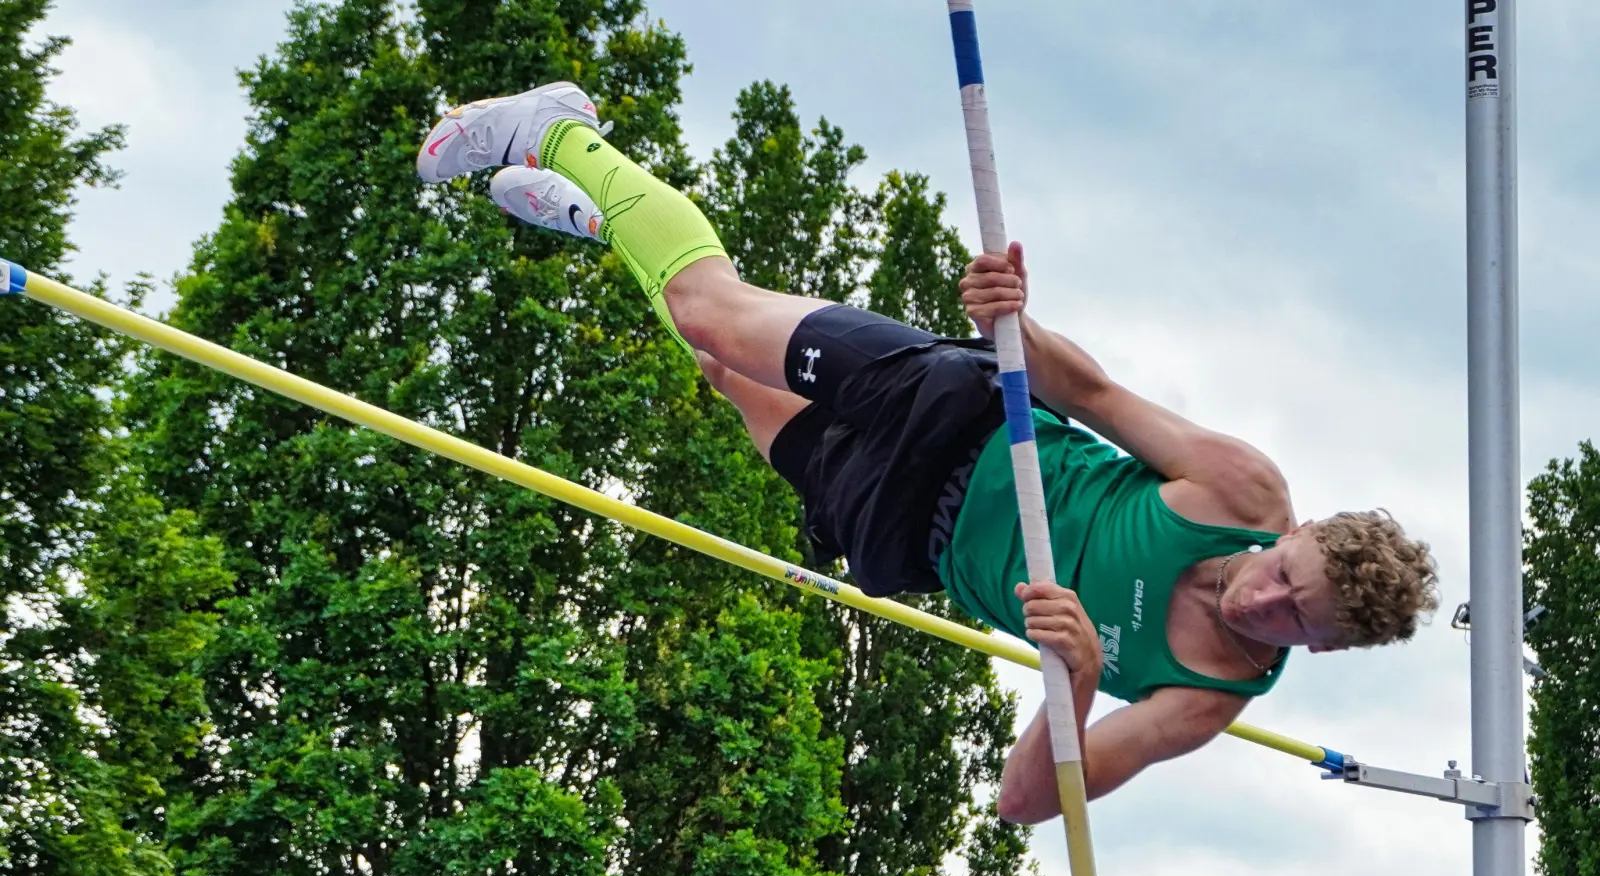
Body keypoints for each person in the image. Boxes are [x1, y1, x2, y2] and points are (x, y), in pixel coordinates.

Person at [416, 82, 1442, 822]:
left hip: (907, 534)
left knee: (713, 365)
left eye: (1294, 623)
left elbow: (1026, 802)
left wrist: (1076, 683)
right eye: (1281, 575)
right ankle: (559, 133)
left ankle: (608, 222)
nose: (1264, 603)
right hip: (953, 415)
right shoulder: (1239, 486)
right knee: (712, 312)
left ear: (1322, 652)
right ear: (1292, 533)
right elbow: (1081, 390)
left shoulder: (1204, 696)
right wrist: (1016, 324)